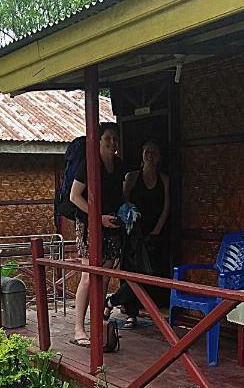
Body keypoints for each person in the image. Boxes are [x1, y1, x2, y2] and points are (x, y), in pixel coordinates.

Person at [69, 123, 125, 347]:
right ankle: (79, 328)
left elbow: (119, 194)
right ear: (98, 141)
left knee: (105, 276)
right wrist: (97, 217)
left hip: (111, 225)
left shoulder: (118, 165)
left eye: (114, 139)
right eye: (107, 138)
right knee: (88, 276)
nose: (112, 143)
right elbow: (75, 196)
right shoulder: (89, 164)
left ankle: (96, 326)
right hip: (89, 224)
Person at [105, 138, 170, 327]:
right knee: (131, 273)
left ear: (159, 157)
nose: (150, 155)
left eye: (153, 152)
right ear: (142, 155)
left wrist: (156, 232)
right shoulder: (132, 177)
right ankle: (130, 314)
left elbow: (166, 207)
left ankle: (112, 301)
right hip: (133, 234)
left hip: (154, 234)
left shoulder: (164, 179)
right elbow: (123, 203)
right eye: (146, 152)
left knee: (149, 275)